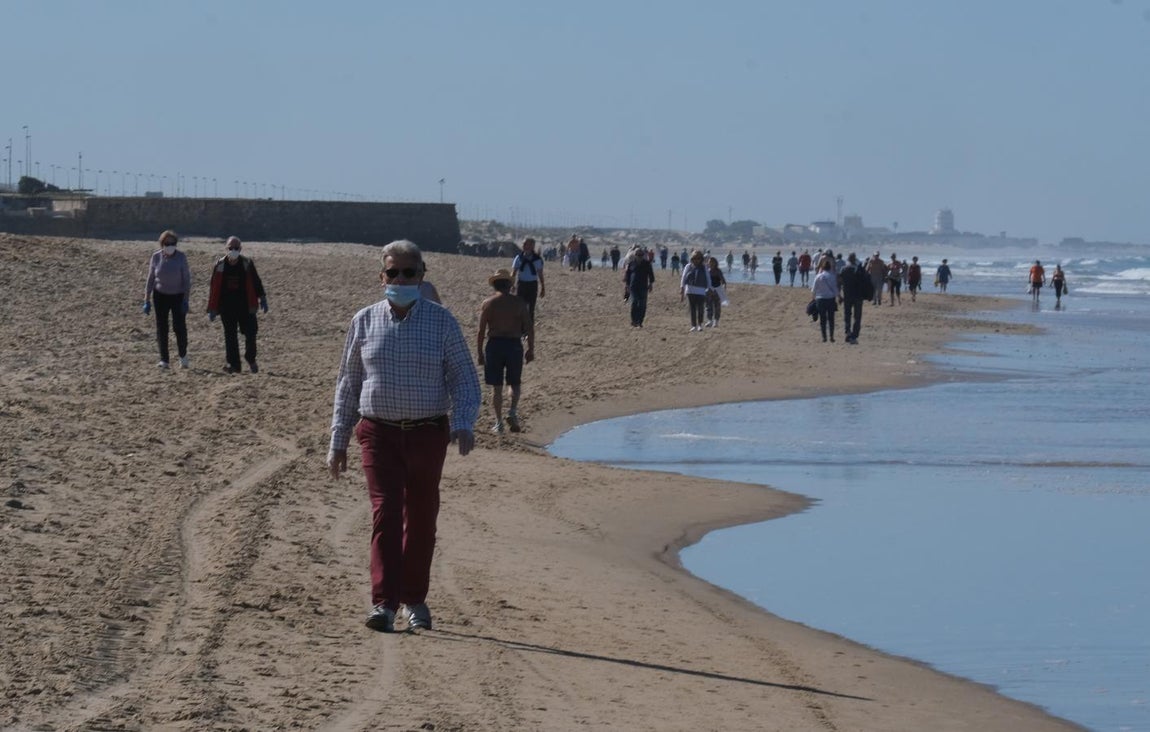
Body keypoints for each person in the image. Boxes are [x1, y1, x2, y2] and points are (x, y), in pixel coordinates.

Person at [328, 239, 480, 634]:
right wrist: (337, 441)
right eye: (392, 272)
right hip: (377, 433)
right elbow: (348, 383)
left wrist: (464, 421)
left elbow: (463, 377)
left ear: (421, 275)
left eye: (408, 272)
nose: (400, 278)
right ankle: (384, 604)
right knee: (386, 513)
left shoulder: (442, 321)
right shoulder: (363, 320)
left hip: (427, 433)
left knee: (422, 517)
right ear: (382, 276)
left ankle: (415, 600)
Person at [478, 268, 535, 434]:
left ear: (495, 285)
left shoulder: (488, 303)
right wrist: (531, 349)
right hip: (514, 345)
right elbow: (529, 328)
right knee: (514, 383)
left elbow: (481, 331)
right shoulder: (519, 303)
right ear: (510, 285)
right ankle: (512, 411)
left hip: (495, 345)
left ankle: (498, 422)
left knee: (497, 387)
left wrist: (480, 353)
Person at [206, 236, 268, 374]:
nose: (233, 251)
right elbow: (214, 287)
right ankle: (234, 365)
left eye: (236, 248)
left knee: (251, 333)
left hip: (246, 306)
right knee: (230, 336)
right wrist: (212, 308)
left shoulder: (247, 263)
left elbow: (256, 282)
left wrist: (262, 298)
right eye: (230, 248)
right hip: (226, 308)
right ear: (226, 249)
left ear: (240, 249)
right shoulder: (220, 265)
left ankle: (250, 358)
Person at [143, 229, 192, 369]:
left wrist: (186, 300)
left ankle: (183, 356)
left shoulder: (181, 257)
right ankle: (164, 359)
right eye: (167, 243)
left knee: (179, 327)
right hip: (160, 296)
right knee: (162, 327)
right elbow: (151, 278)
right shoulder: (156, 257)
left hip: (178, 296)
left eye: (173, 243)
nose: (170, 245)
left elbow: (186, 280)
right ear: (162, 244)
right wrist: (146, 299)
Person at [837, 252, 869, 344]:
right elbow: (865, 281)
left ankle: (848, 332)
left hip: (847, 295)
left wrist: (839, 295)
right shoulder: (859, 269)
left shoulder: (844, 269)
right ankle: (854, 336)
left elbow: (839, 282)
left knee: (847, 315)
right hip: (858, 296)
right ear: (855, 259)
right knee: (857, 317)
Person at [511, 237, 545, 321]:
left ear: (532, 246)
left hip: (532, 285)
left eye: (526, 244)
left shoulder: (537, 259)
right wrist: (512, 284)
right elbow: (513, 272)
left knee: (531, 308)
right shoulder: (518, 258)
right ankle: (519, 328)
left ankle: (529, 329)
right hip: (521, 284)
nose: (524, 245)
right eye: (523, 244)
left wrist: (543, 287)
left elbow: (540, 274)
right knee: (519, 306)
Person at [680, 250, 710, 332]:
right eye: (695, 258)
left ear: (701, 259)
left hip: (701, 291)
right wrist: (682, 288)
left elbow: (708, 278)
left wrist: (709, 288)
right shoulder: (688, 266)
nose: (696, 260)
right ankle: (693, 325)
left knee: (700, 308)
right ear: (692, 259)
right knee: (692, 309)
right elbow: (683, 277)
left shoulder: (704, 267)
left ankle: (699, 325)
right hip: (690, 291)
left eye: (698, 258)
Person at [626, 246, 656, 327]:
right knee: (634, 302)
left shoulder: (647, 264)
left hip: (643, 287)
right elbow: (627, 276)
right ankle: (634, 320)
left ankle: (640, 321)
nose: (639, 256)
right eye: (638, 254)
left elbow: (651, 275)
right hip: (633, 286)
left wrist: (650, 284)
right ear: (635, 255)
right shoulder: (631, 264)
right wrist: (627, 286)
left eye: (641, 255)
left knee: (642, 304)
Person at [811, 259, 838, 343]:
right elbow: (835, 289)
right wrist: (839, 296)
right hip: (830, 299)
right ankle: (831, 336)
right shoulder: (832, 276)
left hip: (820, 299)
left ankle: (824, 337)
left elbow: (813, 290)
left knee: (822, 319)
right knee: (831, 319)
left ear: (822, 267)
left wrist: (813, 299)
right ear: (830, 267)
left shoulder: (818, 276)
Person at [704, 256, 727, 328]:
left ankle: (716, 321)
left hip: (717, 290)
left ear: (715, 263)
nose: (711, 263)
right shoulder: (707, 270)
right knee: (708, 306)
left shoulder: (718, 271)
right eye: (710, 262)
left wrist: (723, 287)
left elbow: (723, 281)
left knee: (717, 307)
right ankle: (709, 321)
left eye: (712, 262)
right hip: (708, 291)